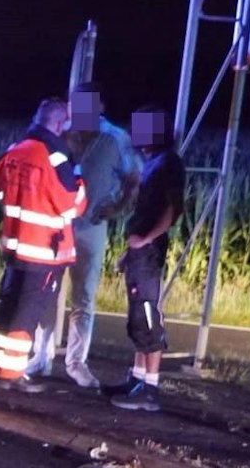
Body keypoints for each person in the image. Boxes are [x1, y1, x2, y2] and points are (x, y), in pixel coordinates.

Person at [29, 83, 141, 388]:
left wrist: (116, 208)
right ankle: (42, 356)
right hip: (55, 225)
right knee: (47, 291)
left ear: (100, 107)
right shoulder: (60, 132)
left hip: (91, 226)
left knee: (84, 297)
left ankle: (76, 363)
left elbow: (134, 178)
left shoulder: (115, 139)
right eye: (76, 106)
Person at [0, 96, 84, 392]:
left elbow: (0, 194)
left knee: (8, 307)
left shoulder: (13, 152)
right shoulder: (56, 157)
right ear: (59, 123)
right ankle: (10, 375)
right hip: (44, 251)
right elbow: (72, 206)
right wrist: (81, 185)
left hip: (15, 246)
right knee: (28, 313)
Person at [107, 106, 185, 413]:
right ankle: (136, 379)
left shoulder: (169, 163)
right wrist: (130, 251)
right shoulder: (154, 162)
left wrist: (147, 240)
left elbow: (173, 209)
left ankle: (149, 389)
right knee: (137, 317)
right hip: (140, 252)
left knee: (148, 316)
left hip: (150, 254)